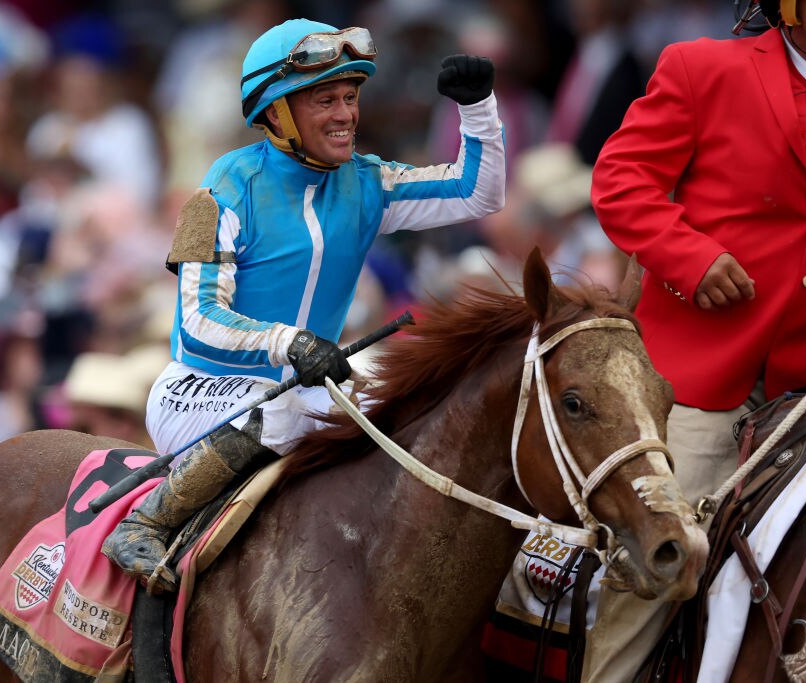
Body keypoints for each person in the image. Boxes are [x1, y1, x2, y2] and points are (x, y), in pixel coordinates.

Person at [102, 18, 506, 592]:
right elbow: (197, 324)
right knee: (285, 413)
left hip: (308, 384)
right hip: (200, 391)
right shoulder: (223, 187)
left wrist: (478, 109)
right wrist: (289, 342)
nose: (345, 115)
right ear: (277, 112)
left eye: (349, 97)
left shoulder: (367, 182)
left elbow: (478, 191)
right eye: (325, 100)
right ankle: (146, 521)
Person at [582, 1, 806, 680]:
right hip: (707, 377)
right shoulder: (700, 67)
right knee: (662, 555)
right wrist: (689, 257)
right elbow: (621, 182)